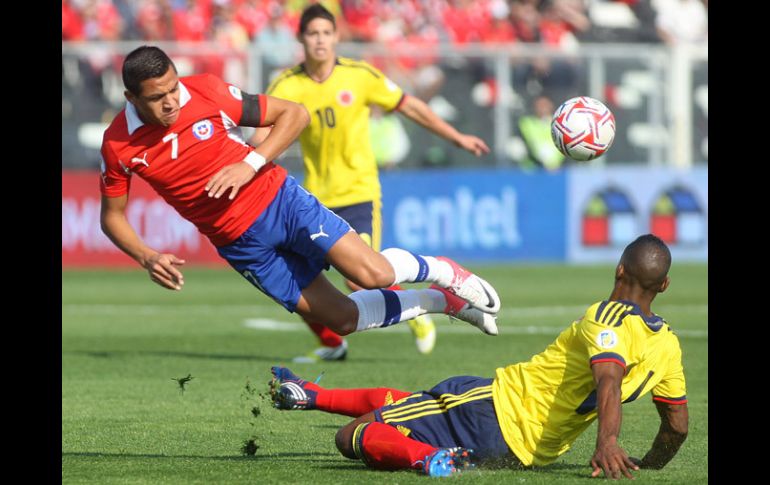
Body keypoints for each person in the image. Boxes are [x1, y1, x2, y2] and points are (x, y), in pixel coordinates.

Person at [99, 46, 502, 360]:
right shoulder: (117, 145)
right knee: (343, 320)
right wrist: (147, 256)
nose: (172, 101)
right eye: (158, 97)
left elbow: (294, 114)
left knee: (373, 274)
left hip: (280, 202)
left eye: (173, 88)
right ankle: (441, 302)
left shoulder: (205, 90)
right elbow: (112, 217)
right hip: (242, 246)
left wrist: (250, 163)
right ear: (131, 97)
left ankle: (442, 271)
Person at [269, 234, 688, 478]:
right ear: (664, 286)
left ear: (618, 269)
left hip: (493, 409)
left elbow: (609, 379)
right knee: (409, 403)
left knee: (352, 437)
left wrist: (610, 442)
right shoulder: (668, 345)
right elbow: (677, 425)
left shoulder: (607, 315)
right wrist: (647, 465)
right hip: (525, 453)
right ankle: (309, 396)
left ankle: (429, 459)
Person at [249, 4, 491, 362]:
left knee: (358, 278)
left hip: (358, 193)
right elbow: (259, 135)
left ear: (336, 37)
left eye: (326, 33)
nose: (319, 40)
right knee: (294, 276)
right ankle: (333, 344)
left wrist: (454, 136)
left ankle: (418, 313)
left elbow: (409, 106)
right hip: (314, 196)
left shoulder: (359, 75)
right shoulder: (287, 84)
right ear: (300, 38)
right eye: (312, 33)